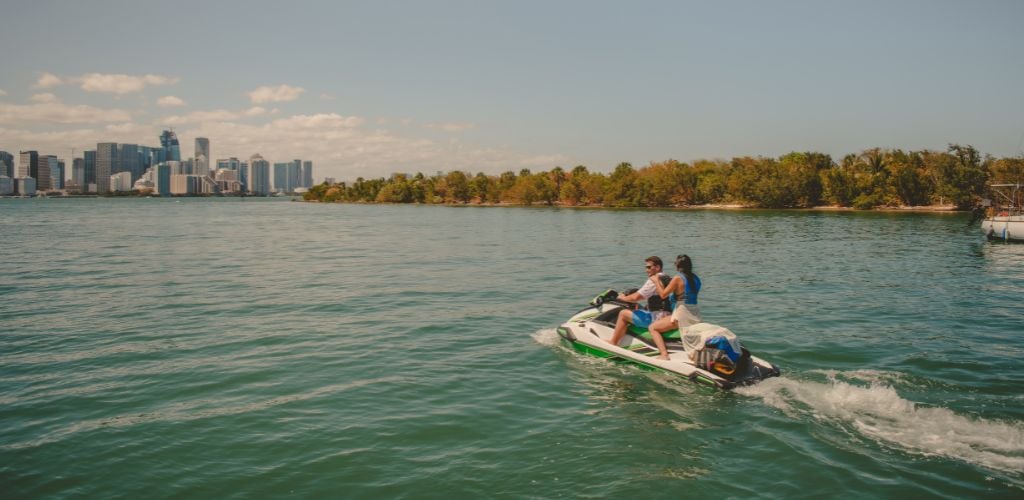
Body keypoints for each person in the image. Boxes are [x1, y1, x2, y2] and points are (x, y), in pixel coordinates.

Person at [606, 256, 673, 351]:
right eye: (646, 267)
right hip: (667, 316)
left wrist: (622, 298)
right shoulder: (667, 277)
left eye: (649, 267)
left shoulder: (653, 280)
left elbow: (636, 297)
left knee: (623, 314)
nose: (647, 270)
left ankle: (613, 342)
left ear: (657, 267)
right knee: (641, 310)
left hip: (656, 318)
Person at [647, 254, 702, 360]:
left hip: (682, 314)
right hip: (695, 313)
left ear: (677, 266)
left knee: (652, 328)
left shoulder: (677, 278)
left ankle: (664, 354)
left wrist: (656, 281)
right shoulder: (696, 279)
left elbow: (663, 295)